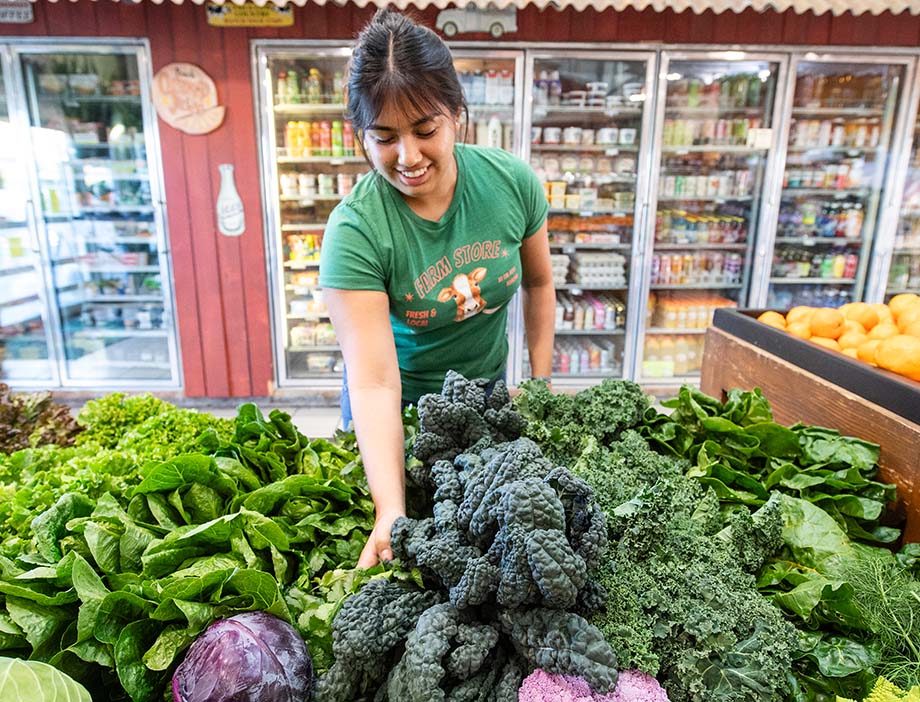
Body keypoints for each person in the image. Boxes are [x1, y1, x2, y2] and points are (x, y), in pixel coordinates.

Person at [318, 8, 554, 568]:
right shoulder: (356, 229)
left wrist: (540, 383)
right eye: (384, 137)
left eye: (425, 130)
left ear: (456, 115)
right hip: (398, 413)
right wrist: (389, 509)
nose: (408, 157)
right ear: (361, 136)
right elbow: (374, 384)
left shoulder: (510, 184)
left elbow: (540, 284)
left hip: (487, 395)